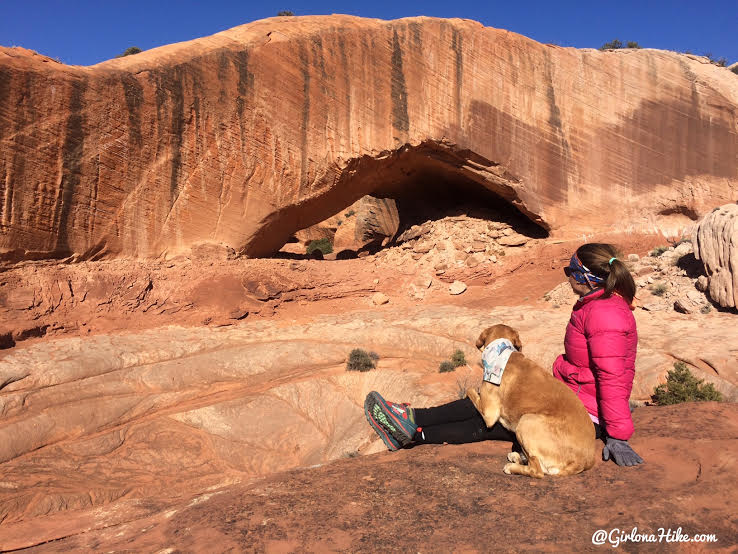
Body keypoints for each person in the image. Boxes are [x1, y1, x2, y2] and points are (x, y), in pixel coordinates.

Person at [365, 242, 644, 467]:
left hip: (581, 414)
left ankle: (412, 424)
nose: (567, 275)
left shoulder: (605, 314)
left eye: (570, 270)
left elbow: (611, 376)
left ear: (587, 277)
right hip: (571, 397)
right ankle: (412, 426)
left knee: (489, 415)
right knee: (493, 402)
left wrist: (617, 434)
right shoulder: (596, 306)